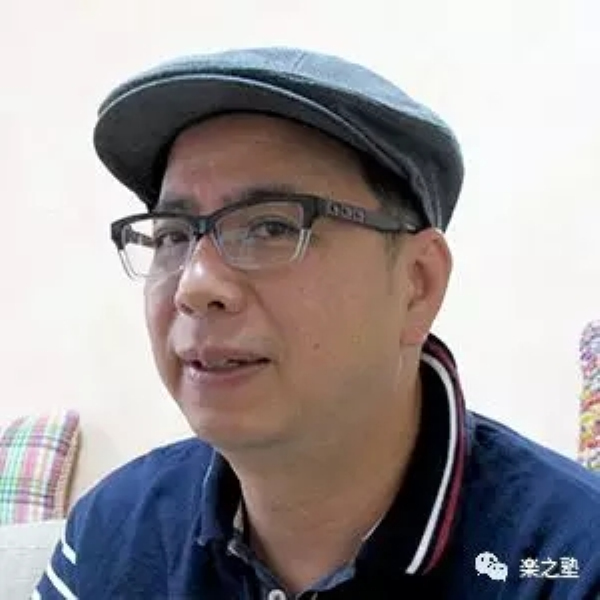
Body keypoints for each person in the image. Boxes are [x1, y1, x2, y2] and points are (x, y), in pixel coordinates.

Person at [35, 46, 600, 599]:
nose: (195, 286)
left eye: (271, 227)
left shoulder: (570, 561)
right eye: (173, 236)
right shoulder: (114, 532)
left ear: (417, 283)